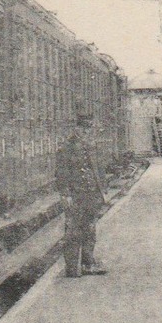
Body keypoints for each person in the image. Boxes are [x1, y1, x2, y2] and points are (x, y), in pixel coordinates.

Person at [55, 111, 108, 277]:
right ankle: (71, 268)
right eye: (83, 128)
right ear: (76, 128)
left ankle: (87, 264)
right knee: (73, 231)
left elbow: (98, 169)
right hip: (76, 195)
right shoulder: (67, 146)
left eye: (89, 127)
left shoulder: (91, 145)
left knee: (90, 229)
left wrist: (102, 190)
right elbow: (61, 172)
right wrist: (65, 194)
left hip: (91, 194)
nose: (86, 131)